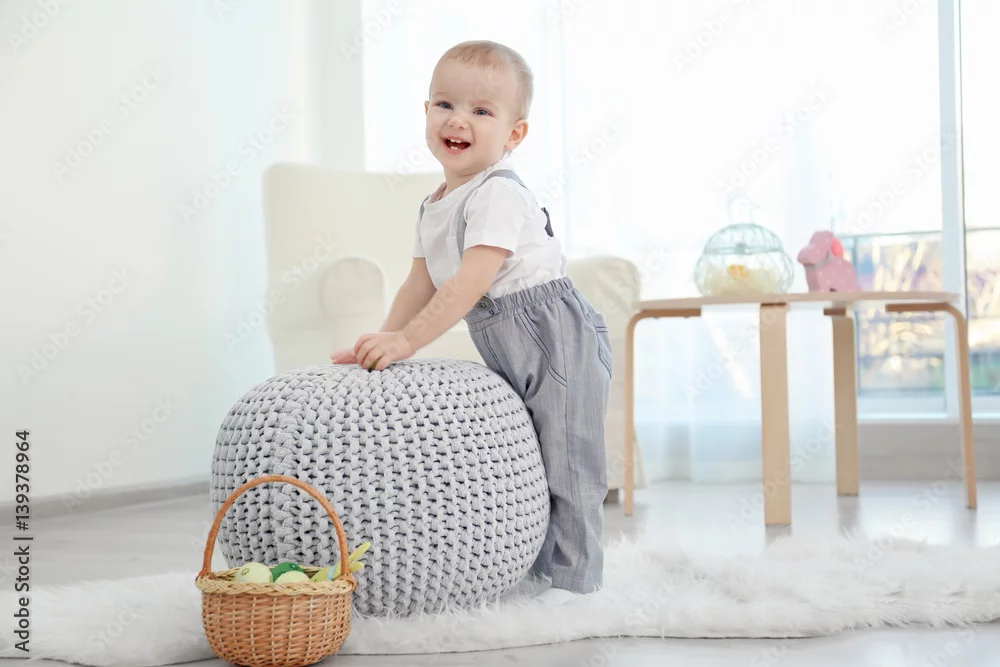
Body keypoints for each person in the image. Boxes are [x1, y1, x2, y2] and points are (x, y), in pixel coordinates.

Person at [331, 40, 612, 604]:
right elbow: (420, 283)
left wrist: (408, 341)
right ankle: (534, 570)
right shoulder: (435, 203)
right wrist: (382, 340)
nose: (458, 120)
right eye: (445, 104)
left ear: (513, 134)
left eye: (482, 111)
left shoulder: (498, 194)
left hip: (555, 336)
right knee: (524, 460)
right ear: (426, 111)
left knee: (569, 461)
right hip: (505, 337)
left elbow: (468, 283)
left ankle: (577, 585)